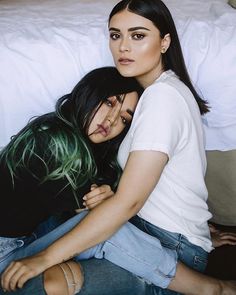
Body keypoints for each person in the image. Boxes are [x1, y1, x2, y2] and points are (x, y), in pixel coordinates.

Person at [1, 1, 236, 295]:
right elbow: (109, 203)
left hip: (164, 240)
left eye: (138, 36)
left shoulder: (162, 97)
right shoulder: (59, 136)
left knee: (84, 251)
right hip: (142, 236)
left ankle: (212, 289)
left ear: (164, 42)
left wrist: (195, 233)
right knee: (75, 257)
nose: (123, 47)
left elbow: (125, 204)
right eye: (115, 35)